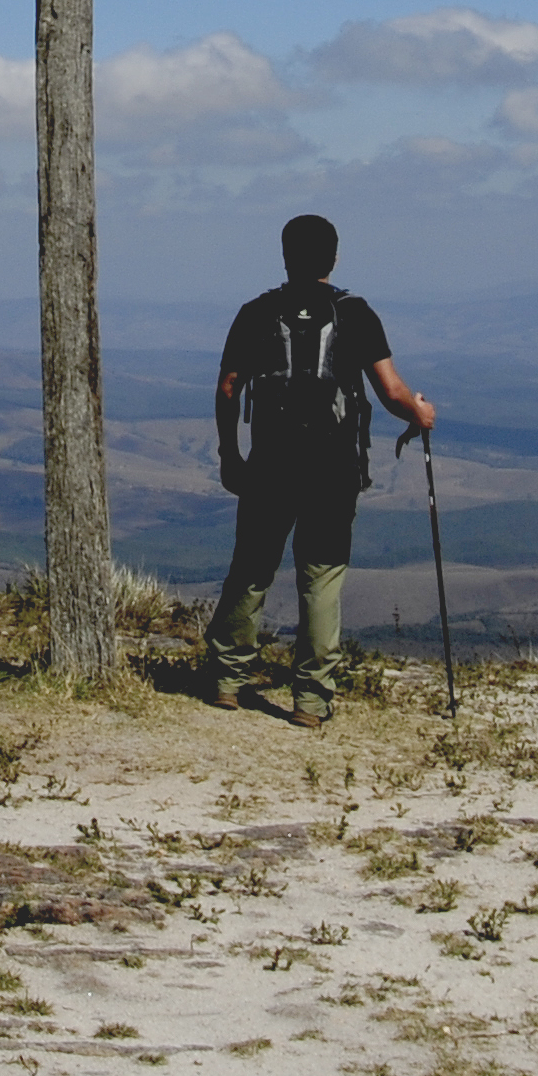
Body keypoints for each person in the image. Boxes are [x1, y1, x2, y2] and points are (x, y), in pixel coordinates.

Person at [206, 211, 433, 722]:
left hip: (269, 465)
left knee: (251, 568)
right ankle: (310, 699)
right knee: (322, 577)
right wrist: (420, 413)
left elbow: (228, 388)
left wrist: (229, 454)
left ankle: (227, 679)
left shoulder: (255, 312)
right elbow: (391, 391)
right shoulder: (355, 313)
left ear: (285, 256)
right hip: (333, 471)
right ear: (334, 257)